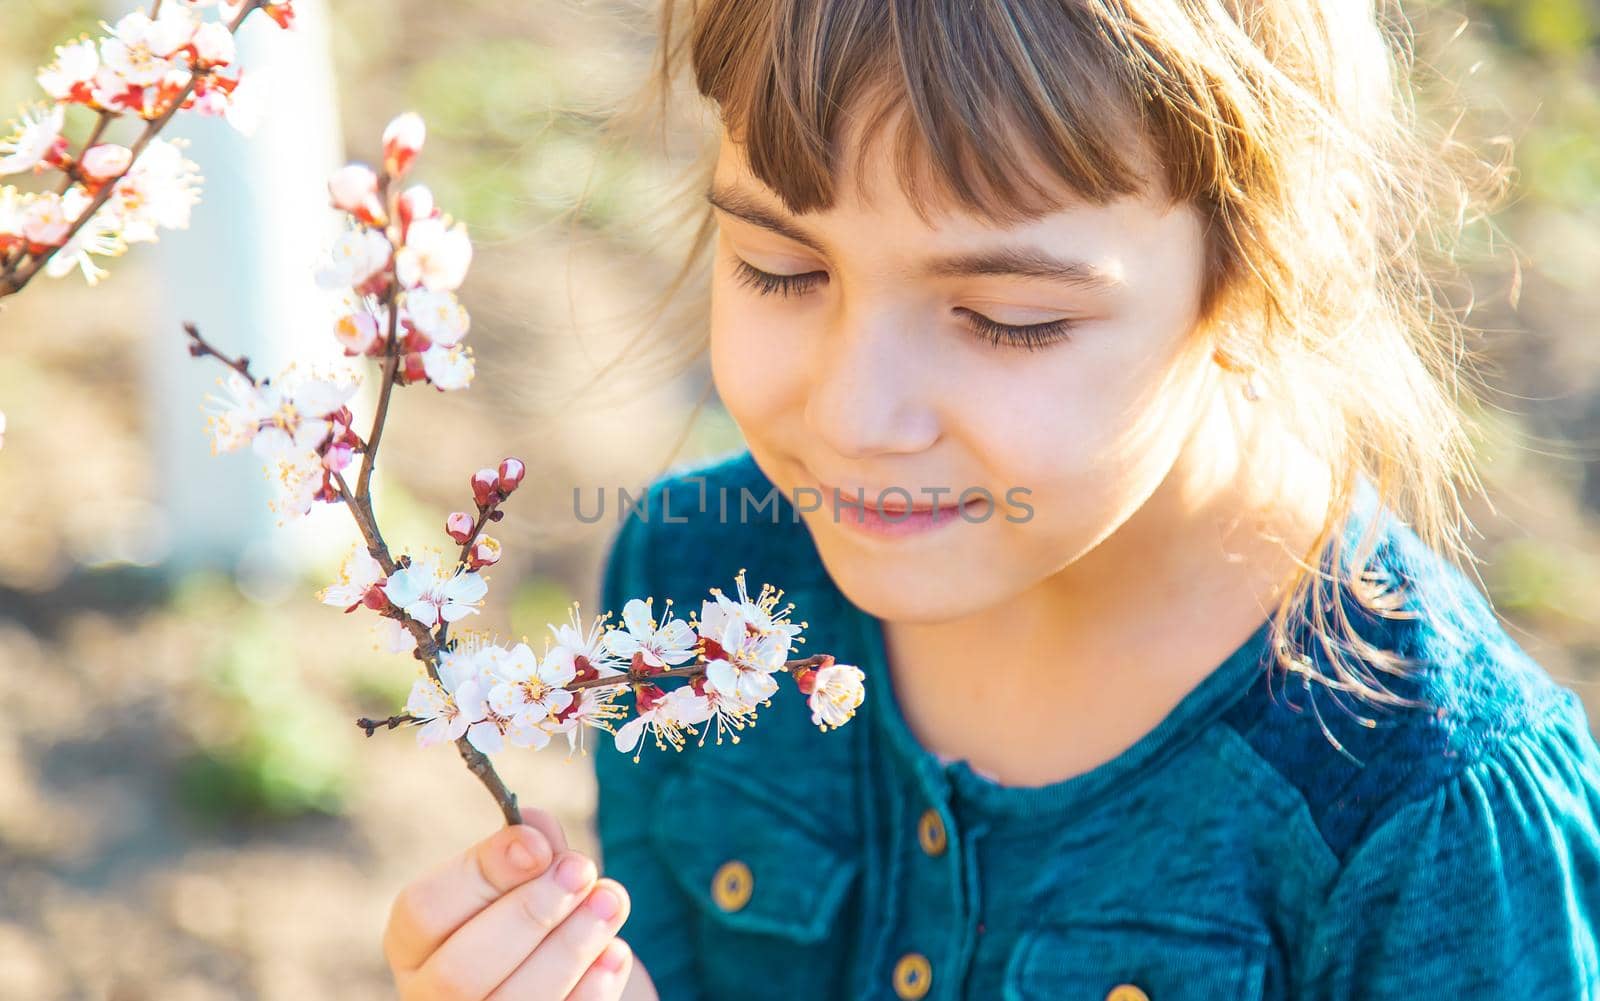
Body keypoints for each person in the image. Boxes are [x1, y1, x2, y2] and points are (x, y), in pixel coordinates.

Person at [382, 1, 1600, 998]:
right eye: (781, 269)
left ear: (1258, 280)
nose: (856, 417)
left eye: (1004, 320)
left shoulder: (1427, 815)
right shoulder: (702, 593)